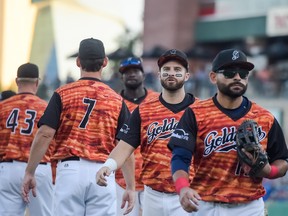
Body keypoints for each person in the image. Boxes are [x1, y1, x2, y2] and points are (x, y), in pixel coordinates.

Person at [21, 38, 134, 216]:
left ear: (78, 62)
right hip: (103, 172)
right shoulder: (117, 99)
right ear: (105, 62)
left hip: (70, 170)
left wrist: (30, 171)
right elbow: (125, 146)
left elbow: (45, 134)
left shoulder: (63, 93)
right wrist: (130, 186)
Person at [168, 49, 288, 215]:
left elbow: (282, 160)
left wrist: (269, 171)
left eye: (243, 74)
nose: (237, 77)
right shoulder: (196, 113)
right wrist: (182, 188)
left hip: (250, 207)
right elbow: (180, 157)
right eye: (230, 73)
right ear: (213, 77)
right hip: (206, 206)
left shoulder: (265, 118)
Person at [96, 49, 197, 216]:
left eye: (177, 70)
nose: (171, 73)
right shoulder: (144, 110)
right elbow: (125, 146)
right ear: (159, 75)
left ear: (187, 75)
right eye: (167, 70)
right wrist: (108, 166)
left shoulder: (201, 110)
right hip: (153, 194)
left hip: (188, 193)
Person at [0, 63, 53, 216]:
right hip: (38, 168)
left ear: (17, 81)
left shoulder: (3, 106)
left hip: (8, 168)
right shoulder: (46, 107)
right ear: (37, 82)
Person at [116, 56, 159, 216]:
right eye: (127, 72)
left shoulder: (157, 100)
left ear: (143, 74)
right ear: (122, 77)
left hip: (153, 178)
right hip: (121, 180)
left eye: (135, 71)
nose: (131, 74)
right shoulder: (114, 102)